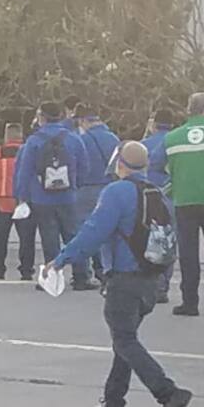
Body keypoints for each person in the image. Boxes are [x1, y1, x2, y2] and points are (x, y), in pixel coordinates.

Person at [44, 141, 193, 407]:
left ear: (119, 164)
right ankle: (113, 403)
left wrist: (61, 259)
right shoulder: (159, 195)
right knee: (124, 341)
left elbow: (93, 232)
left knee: (124, 340)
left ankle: (168, 392)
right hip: (151, 279)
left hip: (125, 279)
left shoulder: (116, 192)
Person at [15, 102, 95, 291]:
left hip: (42, 197)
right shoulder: (73, 139)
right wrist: (75, 185)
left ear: (41, 117)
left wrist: (22, 196)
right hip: (68, 196)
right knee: (74, 236)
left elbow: (24, 171)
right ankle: (81, 276)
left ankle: (51, 277)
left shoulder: (34, 141)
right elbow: (85, 166)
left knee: (49, 239)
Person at [166, 92, 204, 317]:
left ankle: (190, 302)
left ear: (189, 109)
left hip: (185, 201)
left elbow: (162, 168)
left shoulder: (172, 138)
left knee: (189, 254)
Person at [75, 105, 121, 282]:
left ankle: (83, 273)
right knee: (107, 230)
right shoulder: (113, 139)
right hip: (108, 188)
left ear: (83, 121)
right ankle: (104, 269)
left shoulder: (82, 139)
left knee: (84, 231)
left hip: (85, 190)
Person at [0, 123, 37, 280]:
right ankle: (26, 270)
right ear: (21, 135)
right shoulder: (29, 151)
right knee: (26, 238)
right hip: (23, 200)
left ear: (7, 136)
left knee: (1, 238)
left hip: (3, 200)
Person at [142, 108, 177, 303]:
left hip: (149, 198)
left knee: (149, 241)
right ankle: (163, 284)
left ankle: (152, 283)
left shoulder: (145, 145)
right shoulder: (176, 141)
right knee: (169, 242)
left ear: (154, 124)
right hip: (172, 197)